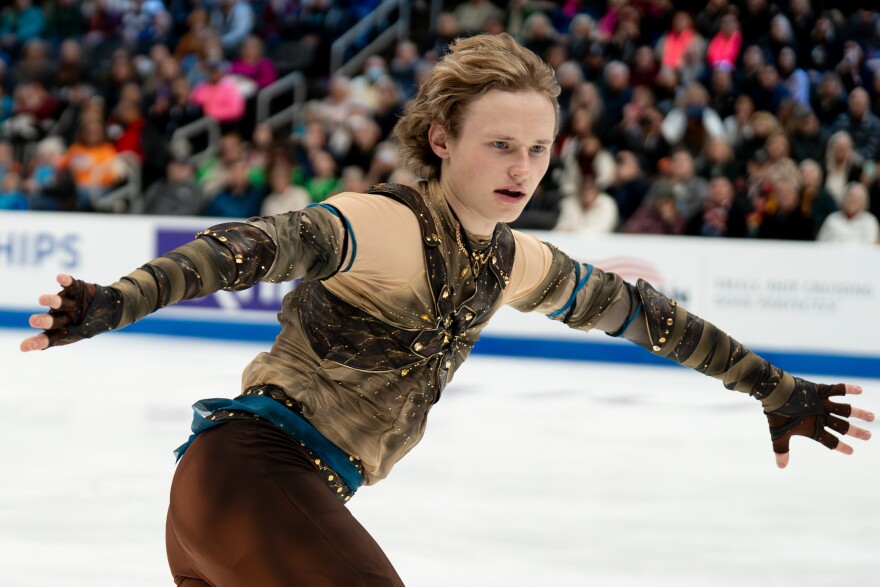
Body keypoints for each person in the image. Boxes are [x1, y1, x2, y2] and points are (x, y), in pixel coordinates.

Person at [20, 34, 873, 586]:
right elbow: (247, 248)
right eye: (500, 143)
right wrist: (119, 301)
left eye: (538, 148)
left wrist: (770, 385)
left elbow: (646, 315)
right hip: (252, 476)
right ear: (441, 139)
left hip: (266, 501)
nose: (523, 167)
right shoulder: (383, 223)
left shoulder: (515, 261)